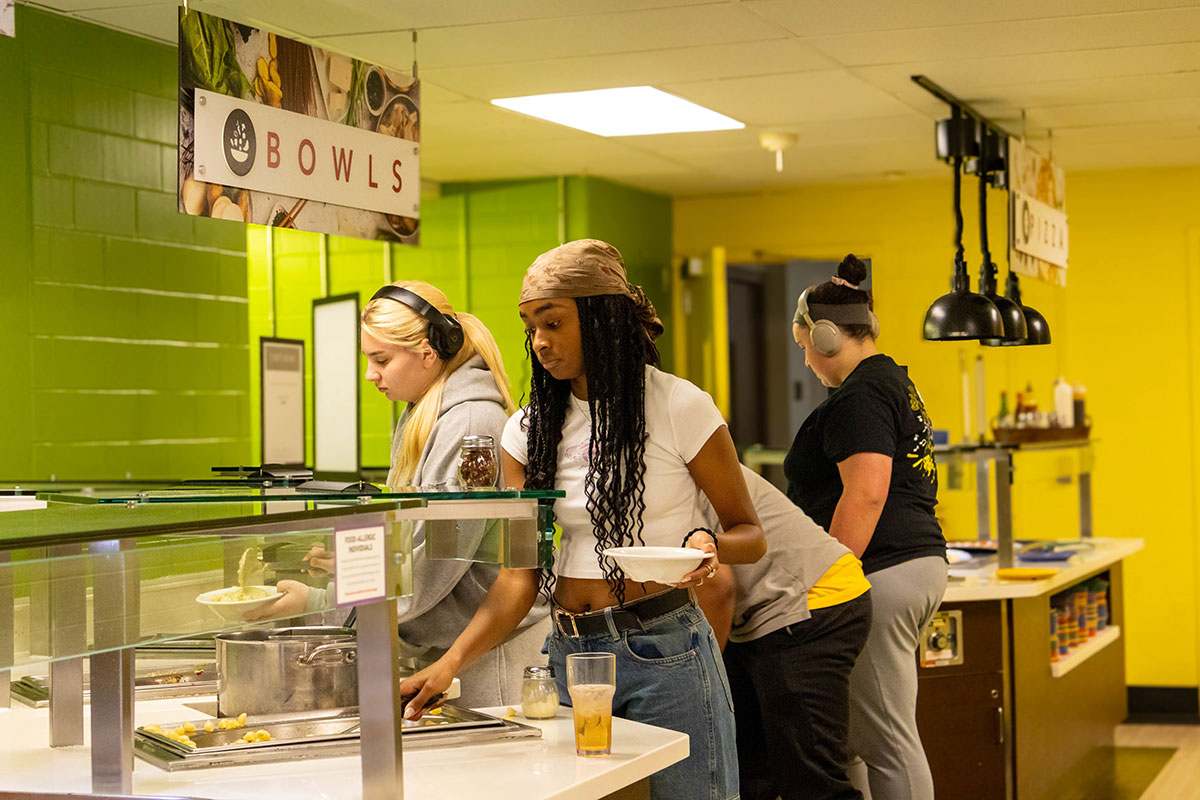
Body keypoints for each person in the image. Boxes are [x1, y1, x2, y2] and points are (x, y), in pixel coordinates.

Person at [400, 239, 765, 800]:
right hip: (570, 654)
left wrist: (710, 546)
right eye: (530, 327)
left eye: (553, 322)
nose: (540, 342)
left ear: (602, 318)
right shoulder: (525, 431)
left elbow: (750, 535)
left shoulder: (679, 406)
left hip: (664, 647)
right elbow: (519, 578)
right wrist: (449, 664)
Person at [251, 280, 550, 708]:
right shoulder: (423, 413)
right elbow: (425, 540)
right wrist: (356, 563)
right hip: (450, 648)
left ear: (429, 352)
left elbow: (438, 562)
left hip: (490, 654)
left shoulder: (468, 424)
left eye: (381, 360)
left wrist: (321, 602)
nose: (371, 374)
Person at [785, 255, 948, 800]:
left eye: (804, 344)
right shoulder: (892, 382)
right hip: (906, 569)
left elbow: (868, 490)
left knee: (888, 742)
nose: (805, 358)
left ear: (827, 337)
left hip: (880, 573)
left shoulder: (861, 395)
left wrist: (830, 575)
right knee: (854, 736)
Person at [701, 464, 872, 800]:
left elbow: (718, 587)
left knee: (812, 782)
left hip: (810, 604)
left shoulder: (672, 472)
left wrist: (703, 678)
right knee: (748, 773)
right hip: (764, 616)